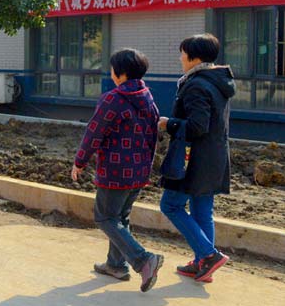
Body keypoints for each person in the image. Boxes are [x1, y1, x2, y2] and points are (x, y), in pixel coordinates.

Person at [72, 48, 163, 292]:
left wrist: (80, 161)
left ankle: (143, 260)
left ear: (120, 73)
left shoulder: (113, 99)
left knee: (104, 218)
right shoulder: (147, 97)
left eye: (112, 68)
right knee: (120, 218)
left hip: (115, 171)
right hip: (139, 171)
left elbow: (94, 133)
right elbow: (154, 133)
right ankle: (115, 264)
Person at [159, 34, 235, 283]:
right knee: (203, 211)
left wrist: (168, 123)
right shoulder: (217, 81)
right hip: (214, 156)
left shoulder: (196, 85)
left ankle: (208, 255)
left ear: (195, 57)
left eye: (182, 53)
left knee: (170, 205)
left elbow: (196, 127)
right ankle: (203, 264)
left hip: (193, 159)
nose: (180, 58)